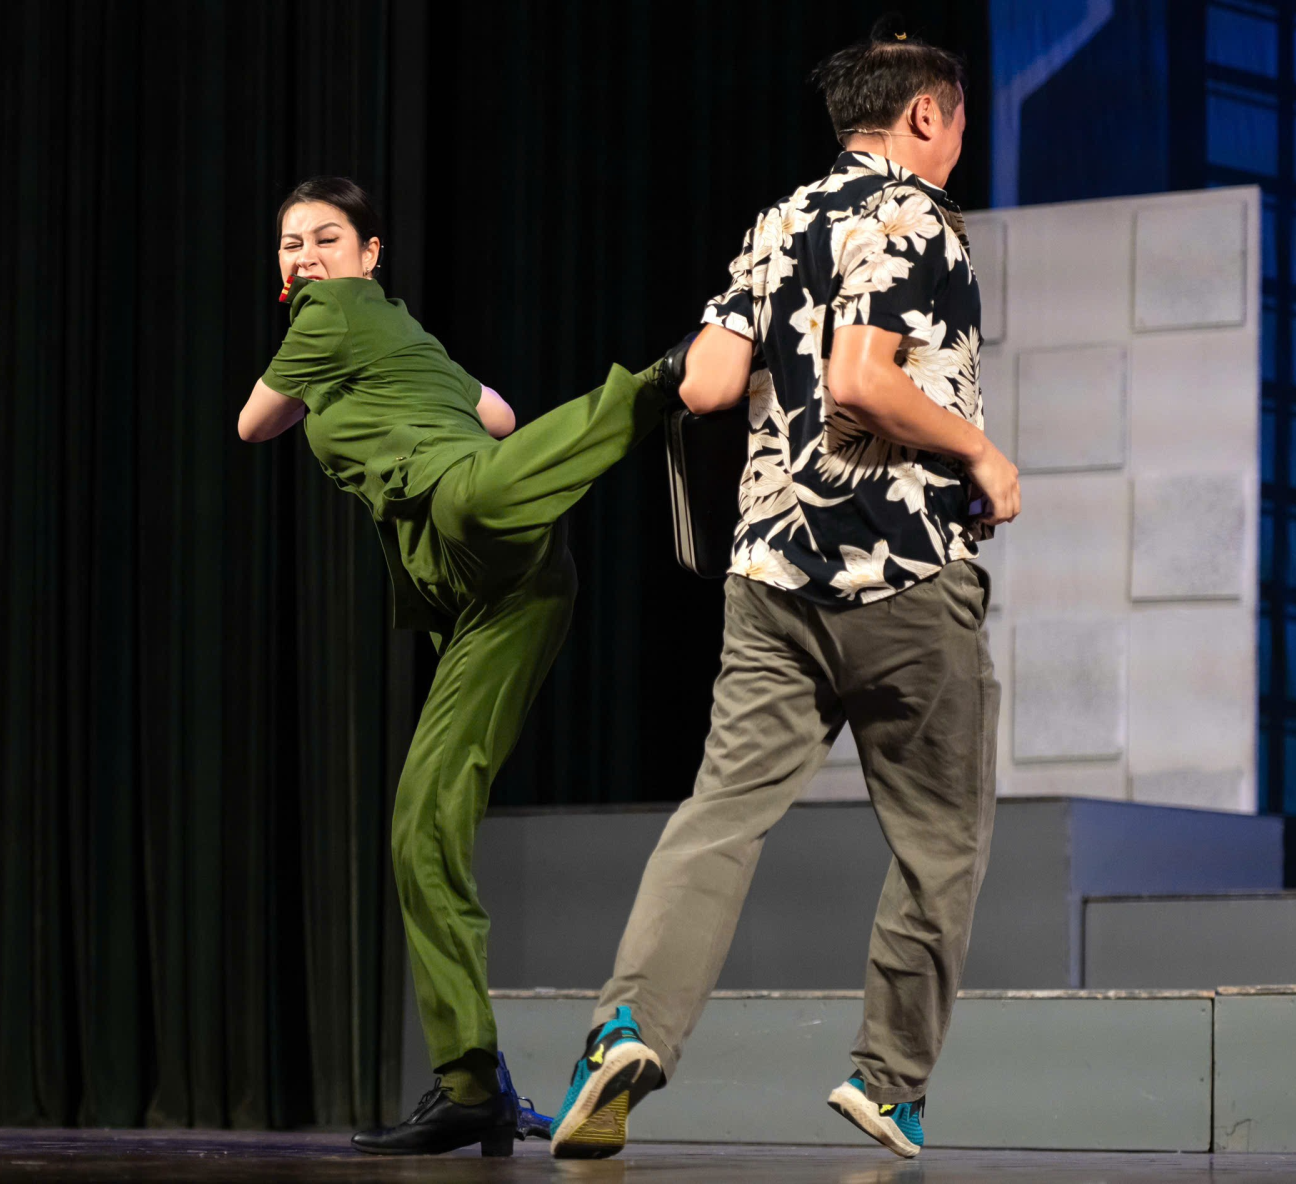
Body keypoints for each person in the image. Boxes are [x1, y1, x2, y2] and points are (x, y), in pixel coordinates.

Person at [549, 22, 1020, 1160]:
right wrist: (981, 453)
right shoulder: (918, 219)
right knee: (941, 838)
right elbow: (862, 379)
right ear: (925, 115)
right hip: (905, 574)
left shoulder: (780, 220)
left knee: (721, 815)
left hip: (771, 578)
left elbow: (708, 382)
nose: (960, 139)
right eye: (959, 119)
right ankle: (887, 1079)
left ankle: (629, 1025)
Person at [239, 177, 673, 1157]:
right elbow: (502, 411)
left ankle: (660, 383)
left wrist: (324, 375)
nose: (303, 258)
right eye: (289, 244)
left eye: (325, 239)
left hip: (480, 522)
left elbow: (250, 423)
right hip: (508, 593)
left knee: (470, 498)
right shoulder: (402, 340)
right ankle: (473, 1083)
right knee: (420, 824)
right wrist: (384, 387)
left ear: (369, 255)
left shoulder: (331, 314)